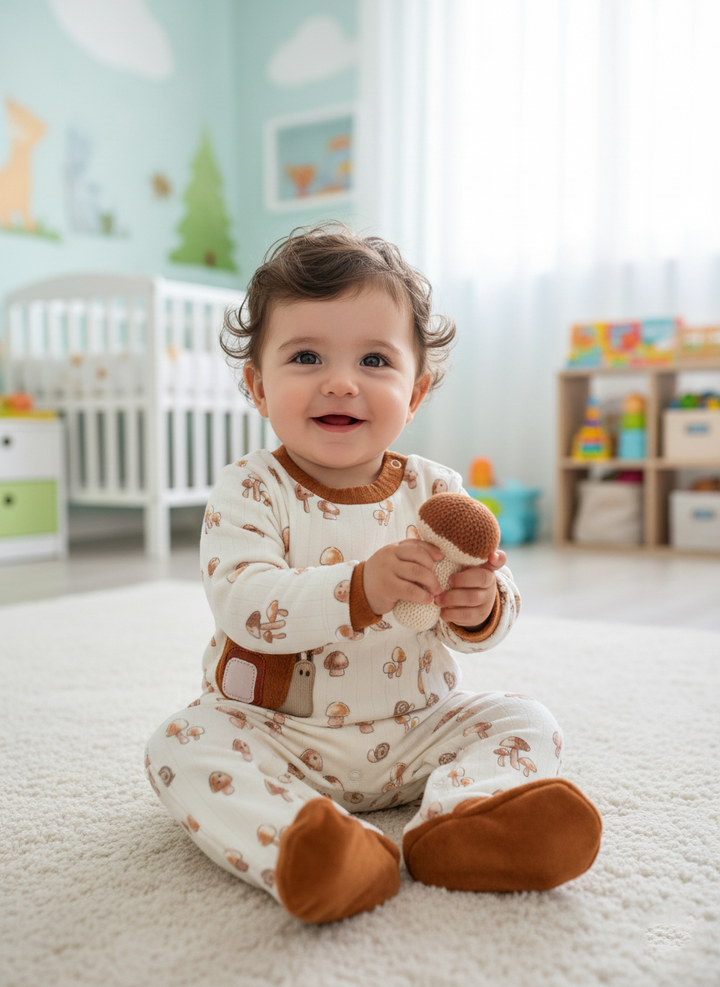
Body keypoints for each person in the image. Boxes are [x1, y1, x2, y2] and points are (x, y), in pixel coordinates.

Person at [145, 224, 602, 924]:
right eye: (305, 355)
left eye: (374, 359)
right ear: (257, 386)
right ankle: (312, 845)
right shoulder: (250, 489)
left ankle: (462, 823)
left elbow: (488, 607)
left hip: (417, 726)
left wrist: (480, 605)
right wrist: (363, 587)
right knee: (179, 745)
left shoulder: (437, 489)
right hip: (280, 732)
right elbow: (245, 603)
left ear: (415, 392)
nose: (340, 380)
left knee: (524, 718)